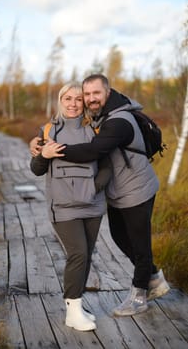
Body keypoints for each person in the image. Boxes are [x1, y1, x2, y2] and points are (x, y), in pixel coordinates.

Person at [30, 74, 170, 317]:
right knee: (119, 236)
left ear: (108, 92)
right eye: (88, 94)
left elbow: (92, 150)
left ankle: (139, 296)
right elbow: (66, 128)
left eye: (96, 93)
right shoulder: (100, 115)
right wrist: (39, 143)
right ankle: (155, 278)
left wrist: (51, 151)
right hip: (117, 191)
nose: (90, 98)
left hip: (136, 189)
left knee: (139, 243)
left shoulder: (119, 121)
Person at [30, 82, 107, 331]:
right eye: (67, 99)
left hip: (92, 204)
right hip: (62, 207)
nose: (73, 104)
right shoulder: (49, 130)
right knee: (78, 254)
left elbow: (108, 167)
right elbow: (36, 169)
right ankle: (72, 313)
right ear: (60, 101)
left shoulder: (95, 129)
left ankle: (76, 305)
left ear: (84, 102)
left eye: (78, 99)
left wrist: (93, 189)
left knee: (85, 257)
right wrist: (44, 155)